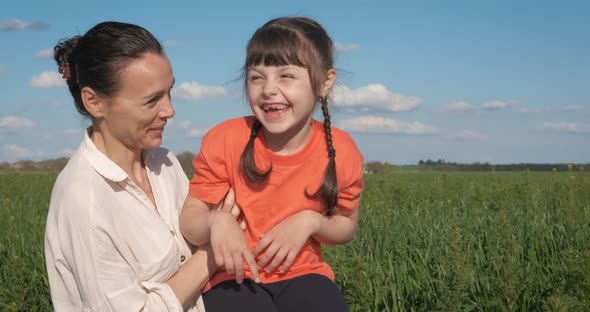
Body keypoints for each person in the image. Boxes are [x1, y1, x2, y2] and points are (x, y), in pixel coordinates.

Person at [44, 21, 241, 311]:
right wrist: (212, 253)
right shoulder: (83, 199)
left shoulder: (165, 163)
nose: (170, 110)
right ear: (94, 102)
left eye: (169, 92)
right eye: (151, 101)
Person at [179, 17, 364, 311]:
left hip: (305, 275)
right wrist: (217, 221)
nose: (268, 89)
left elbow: (346, 227)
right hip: (232, 278)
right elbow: (190, 221)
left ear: (325, 82)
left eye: (286, 76)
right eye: (257, 77)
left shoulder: (341, 150)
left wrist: (311, 221)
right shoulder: (225, 139)